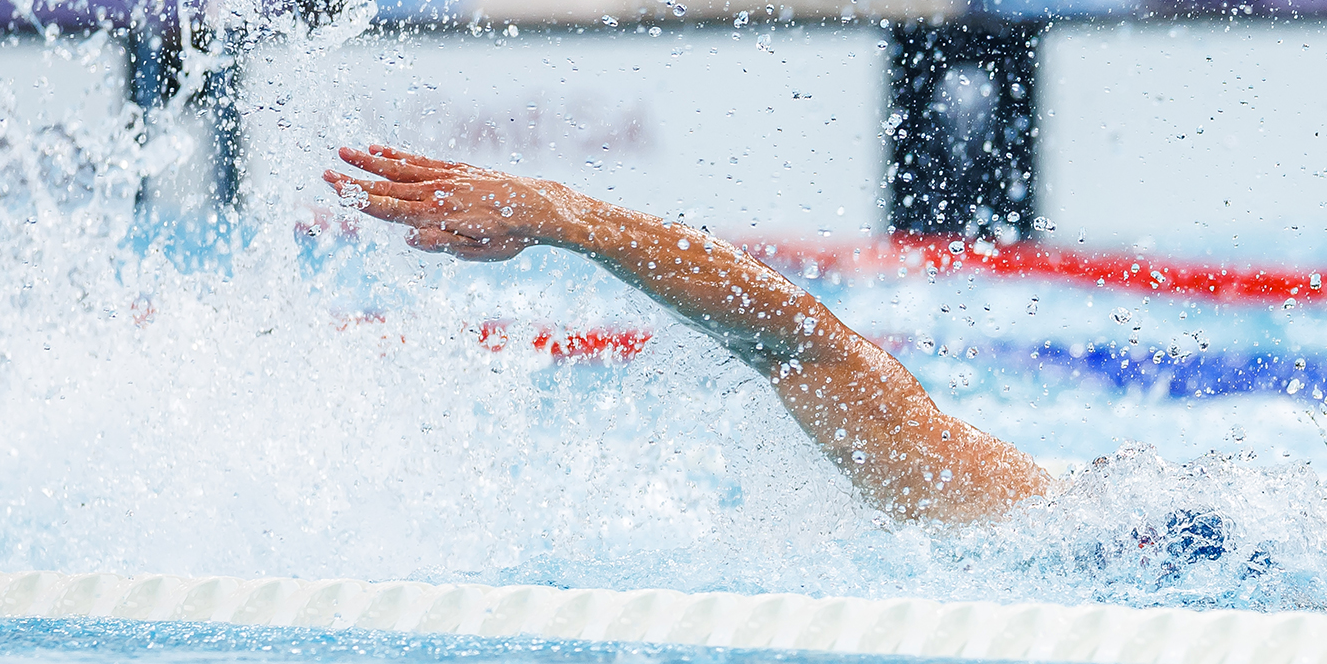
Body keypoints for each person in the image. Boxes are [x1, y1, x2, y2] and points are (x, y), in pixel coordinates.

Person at [324, 145, 1051, 524]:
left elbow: (800, 344)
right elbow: (799, 342)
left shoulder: (1048, 526)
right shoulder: (1043, 519)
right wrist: (560, 215)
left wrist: (563, 215)